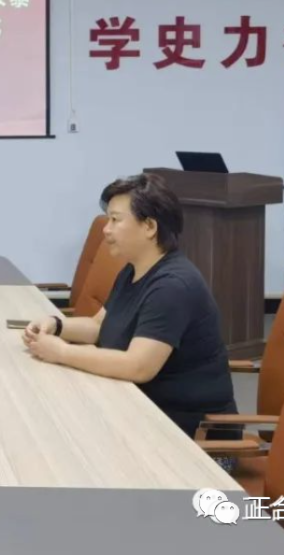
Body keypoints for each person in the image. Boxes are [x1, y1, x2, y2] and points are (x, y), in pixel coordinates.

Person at [22, 173, 238, 438]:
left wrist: (62, 352)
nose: (106, 229)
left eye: (115, 220)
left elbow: (138, 366)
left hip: (191, 435)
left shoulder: (173, 286)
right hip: (142, 409)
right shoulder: (133, 269)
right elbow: (99, 326)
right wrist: (56, 325)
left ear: (149, 227)